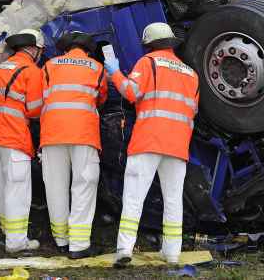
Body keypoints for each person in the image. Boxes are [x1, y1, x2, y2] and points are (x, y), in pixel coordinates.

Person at [104, 22, 199, 267]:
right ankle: (172, 253)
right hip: (178, 146)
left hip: (148, 141)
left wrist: (114, 72)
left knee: (134, 197)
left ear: (148, 45)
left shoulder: (148, 63)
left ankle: (124, 250)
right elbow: (193, 110)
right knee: (173, 200)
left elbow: (131, 92)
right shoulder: (191, 74)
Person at [40, 31, 108, 259]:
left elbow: (42, 96)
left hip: (52, 132)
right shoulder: (96, 67)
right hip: (83, 133)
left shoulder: (50, 65)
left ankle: (61, 240)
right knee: (83, 185)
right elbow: (101, 98)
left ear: (65, 48)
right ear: (88, 49)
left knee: (55, 186)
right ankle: (78, 245)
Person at [0, 28, 45, 253]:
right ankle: (16, 242)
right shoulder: (31, 70)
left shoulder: (2, 67)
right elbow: (34, 110)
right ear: (33, 49)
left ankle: (8, 233)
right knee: (18, 188)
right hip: (13, 134)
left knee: (2, 185)